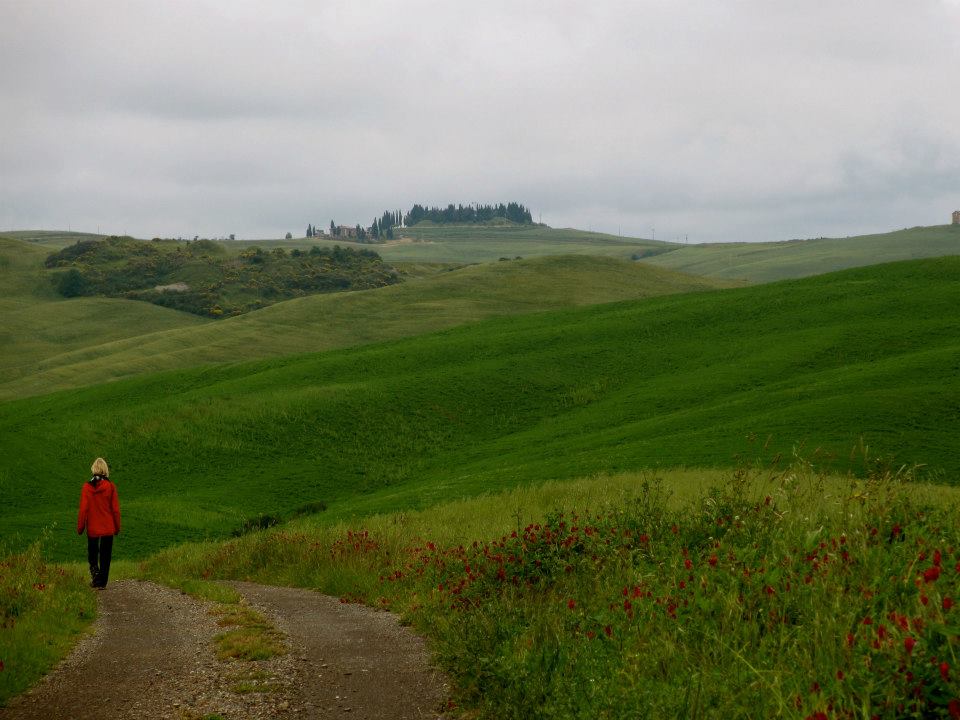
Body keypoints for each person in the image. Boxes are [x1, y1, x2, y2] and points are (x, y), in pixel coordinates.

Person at [77, 457, 121, 589]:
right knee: (105, 555)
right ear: (105, 470)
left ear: (93, 469)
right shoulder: (111, 486)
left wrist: (80, 527)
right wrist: (117, 527)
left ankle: (95, 575)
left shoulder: (86, 487)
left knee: (93, 554)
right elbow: (115, 510)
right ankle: (102, 582)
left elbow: (83, 509)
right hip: (108, 527)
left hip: (93, 528)